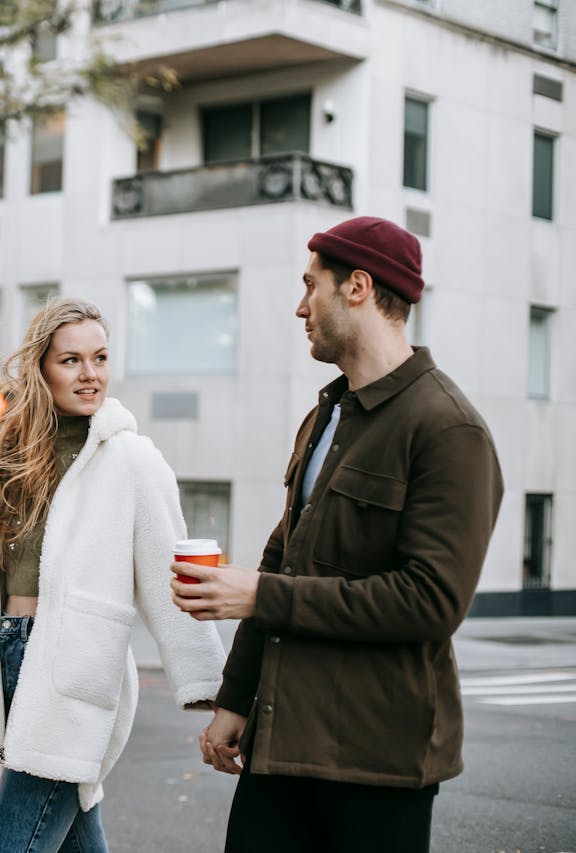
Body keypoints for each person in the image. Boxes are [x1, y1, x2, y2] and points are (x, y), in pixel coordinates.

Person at [171, 216, 504, 853]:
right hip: (280, 745)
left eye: (309, 286)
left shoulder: (448, 429)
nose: (300, 308)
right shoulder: (327, 413)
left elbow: (430, 601)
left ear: (356, 287)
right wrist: (236, 697)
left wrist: (261, 595)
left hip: (375, 762)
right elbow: (282, 559)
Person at [0, 297, 225, 852]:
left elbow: (172, 579)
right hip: (10, 653)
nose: (90, 374)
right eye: (72, 361)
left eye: (100, 358)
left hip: (76, 667)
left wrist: (215, 689)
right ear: (41, 369)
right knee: (74, 834)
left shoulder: (131, 460)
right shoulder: (4, 465)